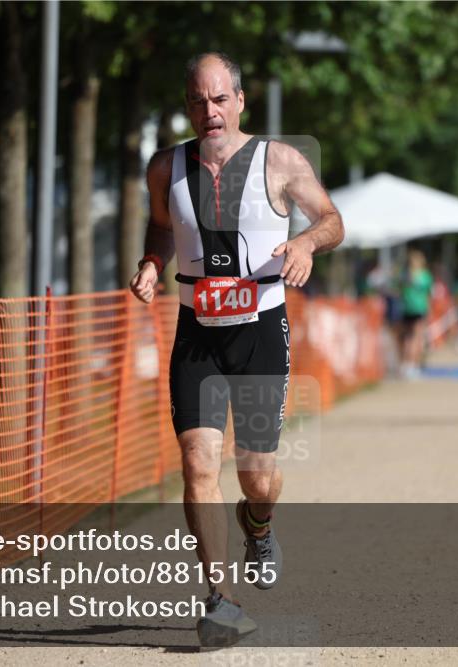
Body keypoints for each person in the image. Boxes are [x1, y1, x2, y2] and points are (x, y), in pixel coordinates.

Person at [128, 52, 344, 647]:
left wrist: (304, 243)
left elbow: (332, 220)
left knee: (257, 475)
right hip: (196, 331)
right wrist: (151, 262)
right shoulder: (165, 166)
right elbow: (161, 225)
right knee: (197, 465)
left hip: (259, 332)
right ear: (187, 105)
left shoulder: (280, 161)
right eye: (198, 101)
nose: (210, 111)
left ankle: (261, 523)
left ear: (240, 101)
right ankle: (220, 600)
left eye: (220, 99)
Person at [396, 250, 433, 380]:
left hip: (406, 309)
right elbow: (429, 294)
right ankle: (413, 366)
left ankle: (405, 365)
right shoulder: (425, 276)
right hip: (419, 309)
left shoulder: (404, 275)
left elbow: (399, 290)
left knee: (407, 338)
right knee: (416, 339)